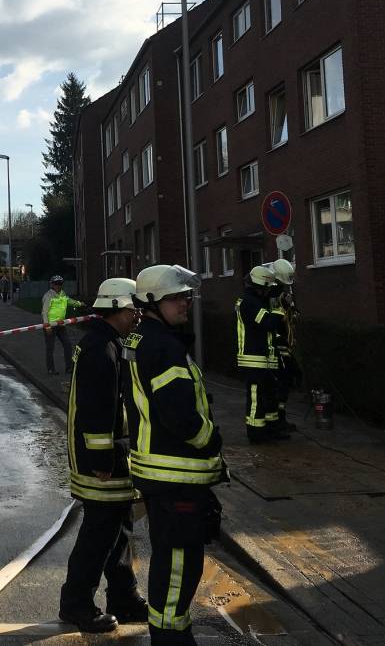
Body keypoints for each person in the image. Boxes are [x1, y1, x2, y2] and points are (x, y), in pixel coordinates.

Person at [126, 265, 225, 646]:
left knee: (169, 562)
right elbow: (181, 416)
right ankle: (171, 638)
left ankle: (168, 631)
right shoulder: (164, 347)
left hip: (160, 473)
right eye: (176, 297)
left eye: (186, 296)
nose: (186, 303)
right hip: (176, 476)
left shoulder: (141, 337)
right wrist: (210, 440)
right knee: (179, 567)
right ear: (152, 301)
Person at [59, 278, 149, 634]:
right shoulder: (101, 348)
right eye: (132, 309)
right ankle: (76, 604)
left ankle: (123, 598)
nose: (137, 315)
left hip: (109, 459)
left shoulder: (107, 342)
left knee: (118, 530)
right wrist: (102, 462)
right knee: (99, 535)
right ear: (116, 308)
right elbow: (97, 411)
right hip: (101, 464)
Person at [235, 264, 289, 443]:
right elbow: (266, 323)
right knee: (257, 399)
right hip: (254, 360)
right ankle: (256, 433)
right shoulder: (249, 303)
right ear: (261, 286)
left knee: (270, 396)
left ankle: (272, 429)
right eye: (268, 288)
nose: (269, 292)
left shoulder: (256, 300)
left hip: (264, 360)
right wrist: (280, 309)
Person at [266, 259, 300, 433]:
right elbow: (274, 322)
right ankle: (278, 419)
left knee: (286, 380)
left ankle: (280, 417)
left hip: (285, 346)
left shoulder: (279, 294)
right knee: (282, 382)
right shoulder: (273, 296)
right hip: (278, 348)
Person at [42, 274, 86, 375]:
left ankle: (69, 368)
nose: (58, 286)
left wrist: (80, 304)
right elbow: (44, 312)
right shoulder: (48, 296)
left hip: (61, 325)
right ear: (52, 285)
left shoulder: (62, 294)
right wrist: (47, 325)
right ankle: (51, 369)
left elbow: (69, 301)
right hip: (50, 326)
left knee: (67, 345)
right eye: (56, 284)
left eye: (60, 284)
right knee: (50, 348)